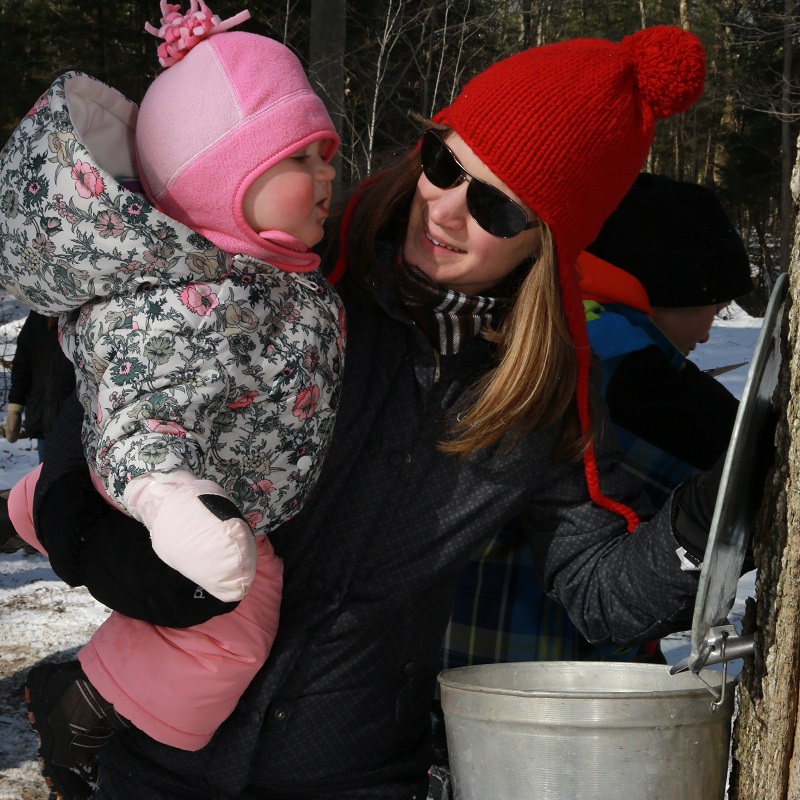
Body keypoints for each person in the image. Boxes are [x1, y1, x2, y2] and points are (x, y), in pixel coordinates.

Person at [16, 25, 718, 800]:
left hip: (353, 770)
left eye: (495, 207)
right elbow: (120, 380)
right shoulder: (287, 269)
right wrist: (84, 523)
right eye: (444, 163)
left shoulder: (536, 399)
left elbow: (598, 590)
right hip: (153, 761)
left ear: (549, 241)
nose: (444, 209)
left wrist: (699, 526)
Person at [0, 2, 345, 798]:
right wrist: (179, 503)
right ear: (222, 176)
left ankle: (23, 507)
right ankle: (78, 700)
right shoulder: (191, 302)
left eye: (329, 153)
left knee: (63, 496)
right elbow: (137, 420)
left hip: (226, 482)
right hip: (188, 502)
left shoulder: (276, 276)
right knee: (231, 639)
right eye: (300, 159)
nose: (329, 175)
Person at [438, 173, 754, 685]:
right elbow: (734, 455)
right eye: (711, 311)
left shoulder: (543, 331)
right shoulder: (629, 367)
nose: (709, 332)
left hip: (471, 656)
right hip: (557, 678)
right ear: (664, 289)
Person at [3, 310, 76, 462]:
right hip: (44, 419)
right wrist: (15, 407)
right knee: (48, 480)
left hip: (78, 423)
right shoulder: (39, 313)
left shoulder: (89, 309)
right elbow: (23, 364)